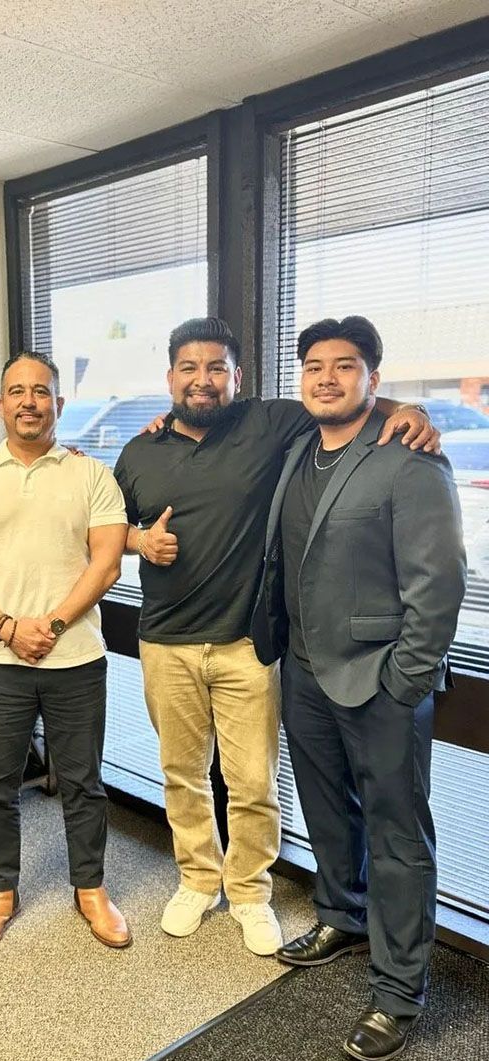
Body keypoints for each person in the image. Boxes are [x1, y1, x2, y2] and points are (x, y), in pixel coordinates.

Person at [113, 317, 439, 956]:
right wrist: (138, 539)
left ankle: (249, 891)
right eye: (189, 368)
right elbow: (102, 528)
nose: (203, 380)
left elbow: (350, 399)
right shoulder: (138, 452)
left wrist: (415, 411)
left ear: (238, 376)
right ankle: (197, 879)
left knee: (253, 782)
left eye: (216, 368)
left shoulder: (272, 423)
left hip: (249, 645)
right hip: (166, 642)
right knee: (182, 774)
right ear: (170, 377)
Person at [251, 316, 466, 1061]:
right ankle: (343, 914)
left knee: (398, 834)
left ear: (373, 377)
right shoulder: (297, 449)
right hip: (305, 671)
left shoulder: (410, 457)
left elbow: (439, 583)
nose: (327, 378)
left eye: (345, 366)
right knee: (326, 810)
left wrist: (406, 681)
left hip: (380, 681)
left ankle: (399, 990)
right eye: (315, 366)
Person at [0, 351, 130, 954]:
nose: (29, 401)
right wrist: (6, 627)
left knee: (83, 782)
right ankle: (1, 892)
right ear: (1, 404)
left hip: (76, 660)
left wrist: (51, 623)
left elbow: (107, 562)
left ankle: (90, 888)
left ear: (58, 404)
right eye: (17, 391)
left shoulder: (91, 475)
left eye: (41, 391)